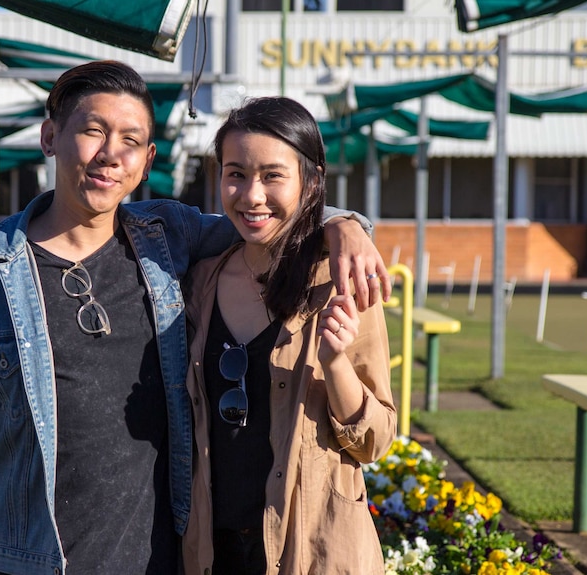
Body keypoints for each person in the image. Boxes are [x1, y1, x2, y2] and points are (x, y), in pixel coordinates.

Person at [0, 61, 389, 575]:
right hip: (27, 563)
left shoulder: (169, 237)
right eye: (92, 131)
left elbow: (268, 216)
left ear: (148, 159)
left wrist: (344, 225)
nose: (110, 154)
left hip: (161, 561)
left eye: (130, 140)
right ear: (49, 137)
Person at [182, 96, 397, 575]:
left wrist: (337, 363)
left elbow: (375, 442)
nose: (251, 195)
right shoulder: (200, 281)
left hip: (312, 548)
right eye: (235, 173)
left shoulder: (342, 280)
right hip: (210, 550)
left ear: (312, 181)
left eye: (272, 176)